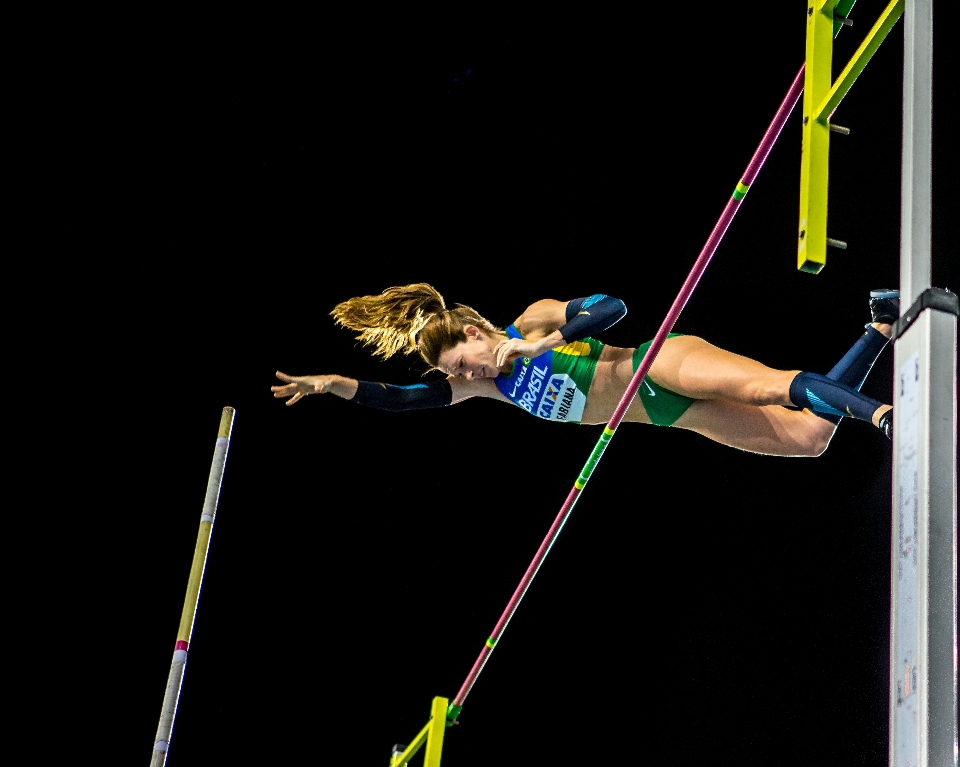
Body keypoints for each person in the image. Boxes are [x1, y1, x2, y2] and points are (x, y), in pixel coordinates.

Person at [271, 284, 897, 457]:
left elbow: (613, 307)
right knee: (809, 440)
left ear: (471, 333)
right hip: (665, 415)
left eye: (458, 363)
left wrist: (544, 345)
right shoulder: (481, 390)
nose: (461, 377)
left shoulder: (531, 321)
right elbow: (404, 399)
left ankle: (882, 416)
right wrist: (332, 385)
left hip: (658, 365)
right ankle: (879, 327)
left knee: (771, 386)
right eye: (453, 375)